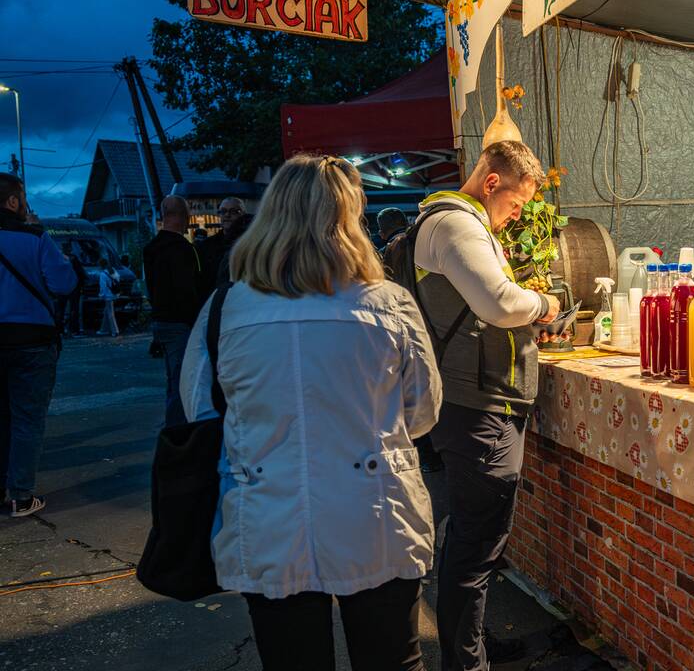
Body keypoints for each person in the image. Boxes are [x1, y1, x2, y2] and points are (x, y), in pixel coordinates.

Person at [180, 155, 441, 671]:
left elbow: (200, 410)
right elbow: (424, 411)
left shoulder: (223, 309)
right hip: (377, 515)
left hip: (268, 518)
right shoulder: (389, 303)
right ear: (349, 217)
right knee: (392, 660)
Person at [412, 140, 559, 670]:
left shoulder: (459, 223)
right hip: (477, 409)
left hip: (476, 402)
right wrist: (546, 304)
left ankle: (469, 644)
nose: (517, 215)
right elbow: (498, 303)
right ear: (492, 182)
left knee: (473, 540)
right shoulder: (456, 225)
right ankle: (467, 662)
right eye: (516, 203)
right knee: (477, 543)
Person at [0, 173, 77, 516]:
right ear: (13, 202)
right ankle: (20, 496)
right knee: (27, 419)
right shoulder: (35, 237)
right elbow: (64, 283)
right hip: (32, 340)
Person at [143, 195, 203, 428]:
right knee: (182, 380)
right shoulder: (184, 249)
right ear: (181, 216)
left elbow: (150, 286)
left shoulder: (151, 249)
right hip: (181, 323)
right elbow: (188, 290)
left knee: (172, 377)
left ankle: (174, 423)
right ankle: (177, 428)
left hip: (161, 321)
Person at [197, 197, 252, 295]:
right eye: (223, 211)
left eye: (234, 211)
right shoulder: (206, 246)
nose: (227, 215)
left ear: (243, 215)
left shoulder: (251, 245)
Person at [96, 260, 119, 337]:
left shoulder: (103, 274)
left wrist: (101, 295)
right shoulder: (113, 271)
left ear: (101, 265)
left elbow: (103, 287)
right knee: (107, 312)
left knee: (110, 313)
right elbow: (117, 281)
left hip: (107, 296)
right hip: (114, 294)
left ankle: (115, 331)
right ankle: (103, 330)